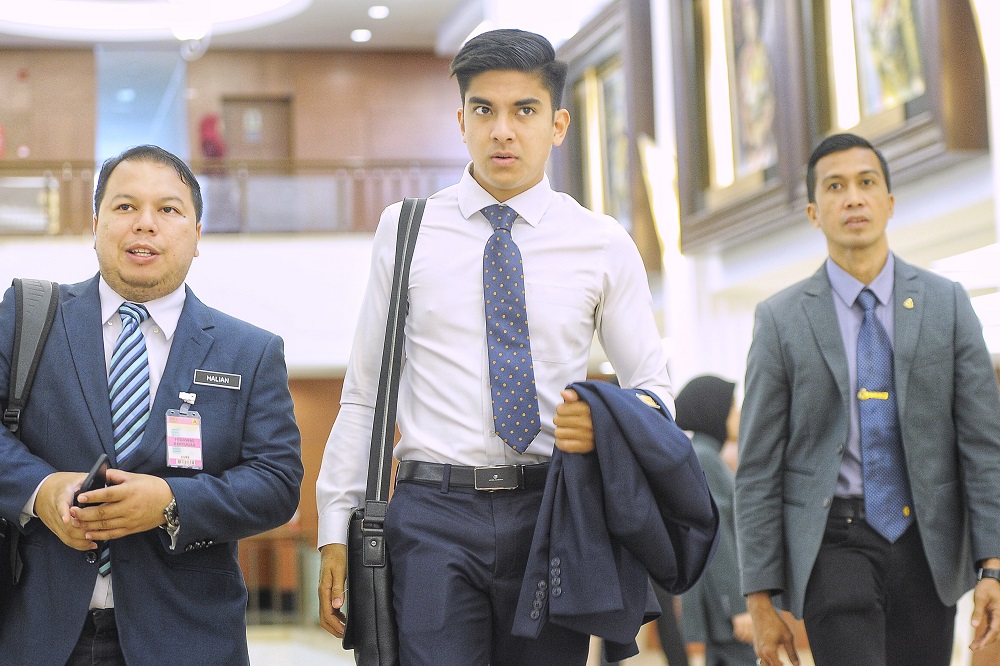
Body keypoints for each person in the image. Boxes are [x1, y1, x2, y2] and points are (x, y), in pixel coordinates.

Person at [316, 28, 674, 666]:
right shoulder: (405, 230)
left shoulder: (602, 242)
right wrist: (333, 526)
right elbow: (365, 392)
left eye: (524, 111)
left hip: (552, 513)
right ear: (461, 121)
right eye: (484, 110)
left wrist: (606, 422)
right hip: (430, 513)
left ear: (558, 124)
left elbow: (654, 389)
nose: (502, 130)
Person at [0, 144, 303, 665]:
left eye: (168, 209)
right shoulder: (29, 320)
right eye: (124, 207)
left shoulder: (249, 351)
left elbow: (276, 483)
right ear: (94, 223)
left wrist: (170, 502)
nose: (145, 224)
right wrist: (40, 490)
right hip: (39, 631)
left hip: (187, 638)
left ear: (197, 234)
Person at [734, 132, 1000, 666]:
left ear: (889, 203)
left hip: (928, 545)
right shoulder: (782, 319)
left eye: (866, 182)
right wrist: (760, 597)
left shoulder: (946, 304)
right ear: (814, 211)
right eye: (835, 186)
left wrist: (993, 566)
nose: (853, 197)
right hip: (834, 540)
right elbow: (758, 466)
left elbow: (982, 445)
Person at [675, 375, 755, 666]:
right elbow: (716, 538)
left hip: (716, 607)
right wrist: (737, 606)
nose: (737, 414)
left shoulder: (702, 454)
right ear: (713, 410)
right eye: (732, 406)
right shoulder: (706, 458)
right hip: (724, 610)